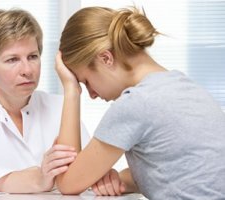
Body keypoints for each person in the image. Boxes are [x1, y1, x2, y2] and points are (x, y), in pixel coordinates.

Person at [54, 6, 225, 199]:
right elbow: (179, 170)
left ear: (105, 58)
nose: (92, 94)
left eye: (86, 82)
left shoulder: (136, 103)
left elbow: (68, 183)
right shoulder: (184, 87)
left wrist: (71, 91)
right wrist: (118, 179)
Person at [0, 9, 90, 193]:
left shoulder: (60, 106)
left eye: (33, 57)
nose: (27, 70)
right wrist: (36, 179)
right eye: (12, 60)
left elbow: (88, 171)